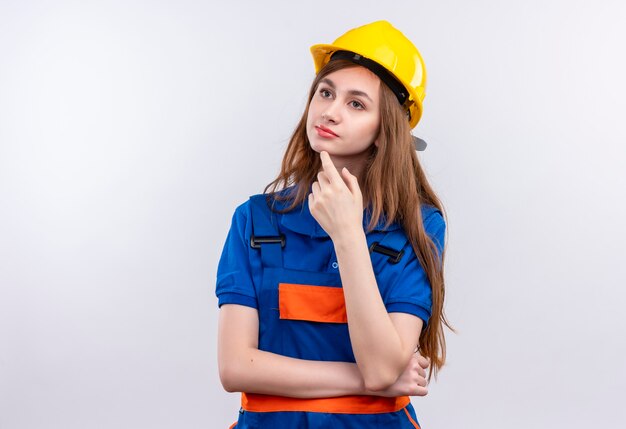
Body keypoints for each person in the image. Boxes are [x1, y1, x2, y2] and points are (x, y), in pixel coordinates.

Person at [216, 20, 451, 429]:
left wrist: (347, 234)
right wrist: (371, 381)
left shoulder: (419, 226)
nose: (330, 111)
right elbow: (235, 367)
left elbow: (380, 367)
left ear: (385, 131)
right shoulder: (253, 220)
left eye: (356, 104)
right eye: (326, 93)